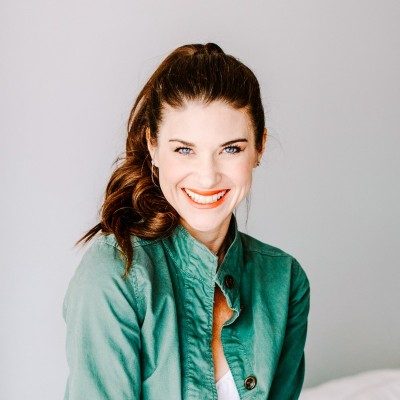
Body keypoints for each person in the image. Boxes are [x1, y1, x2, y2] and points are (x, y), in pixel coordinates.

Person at [62, 42, 310, 400]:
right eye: (184, 149)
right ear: (153, 146)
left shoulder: (285, 281)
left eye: (231, 148)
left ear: (260, 147)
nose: (207, 177)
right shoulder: (114, 274)